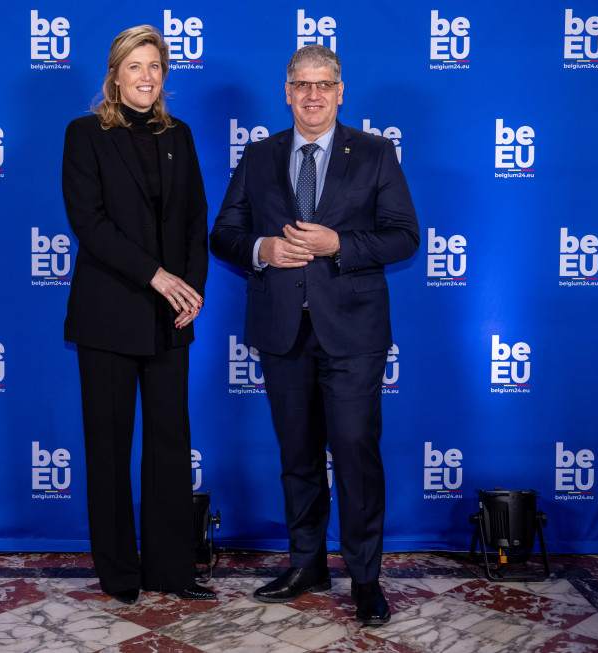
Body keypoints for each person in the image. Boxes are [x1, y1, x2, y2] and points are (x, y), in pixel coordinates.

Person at [210, 44, 419, 626]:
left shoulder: (376, 153)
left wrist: (340, 246)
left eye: (324, 84)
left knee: (354, 452)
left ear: (341, 91)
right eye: (302, 84)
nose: (313, 95)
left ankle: (366, 578)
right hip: (283, 331)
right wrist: (261, 249)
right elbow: (223, 233)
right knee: (297, 456)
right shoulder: (258, 156)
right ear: (287, 92)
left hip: (353, 333)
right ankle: (307, 563)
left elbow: (405, 236)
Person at [61, 25, 214, 604]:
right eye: (135, 66)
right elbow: (90, 224)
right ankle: (120, 574)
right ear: (115, 74)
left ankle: (172, 571)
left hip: (171, 316)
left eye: (155, 66)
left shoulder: (181, 134)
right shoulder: (85, 134)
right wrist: (157, 277)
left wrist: (191, 290)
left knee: (171, 444)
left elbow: (195, 219)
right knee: (109, 447)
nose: (146, 76)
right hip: (109, 316)